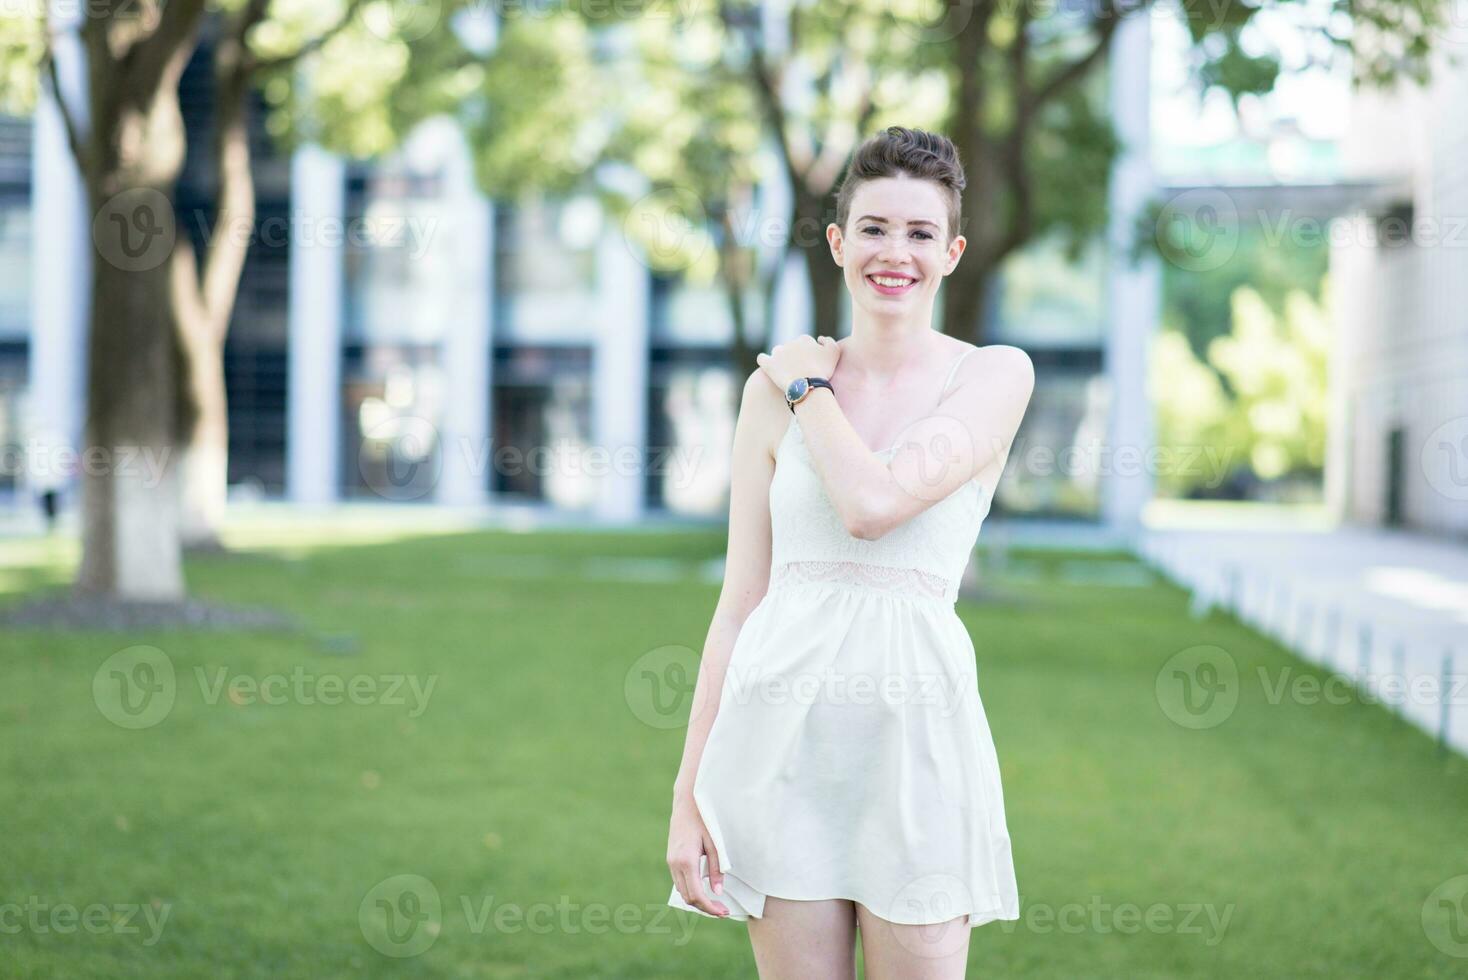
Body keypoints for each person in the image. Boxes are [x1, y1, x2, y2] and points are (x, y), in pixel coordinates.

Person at [665, 125, 1035, 980]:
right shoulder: (771, 394)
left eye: (919, 233)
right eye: (872, 228)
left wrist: (809, 388)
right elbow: (738, 604)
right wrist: (688, 799)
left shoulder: (989, 376)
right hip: (776, 744)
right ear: (837, 242)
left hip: (917, 745)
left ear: (952, 253)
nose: (893, 252)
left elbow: (873, 506)